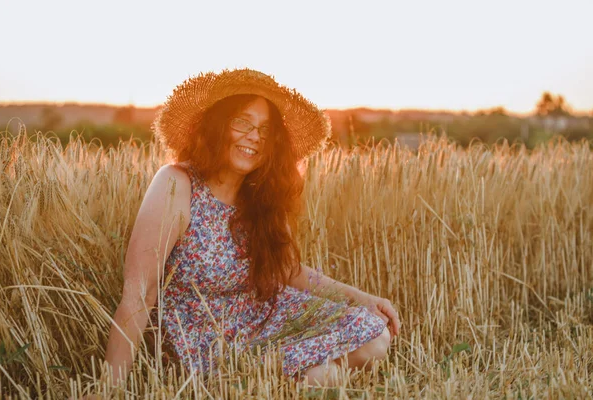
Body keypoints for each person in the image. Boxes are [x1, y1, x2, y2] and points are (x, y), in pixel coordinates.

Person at [102, 68, 401, 387]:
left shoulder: (261, 197)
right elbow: (140, 292)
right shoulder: (177, 184)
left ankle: (298, 382)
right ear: (218, 126)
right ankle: (302, 381)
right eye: (242, 122)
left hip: (266, 319)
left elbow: (288, 270)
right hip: (209, 344)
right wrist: (108, 388)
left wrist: (362, 299)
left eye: (264, 129)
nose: (254, 136)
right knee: (324, 375)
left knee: (376, 337)